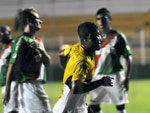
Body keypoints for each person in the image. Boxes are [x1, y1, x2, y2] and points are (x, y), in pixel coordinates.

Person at [53, 22, 113, 113]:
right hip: (69, 109)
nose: (99, 38)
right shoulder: (82, 63)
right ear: (84, 40)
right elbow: (76, 88)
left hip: (77, 105)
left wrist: (68, 69)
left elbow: (61, 53)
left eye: (99, 34)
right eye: (94, 37)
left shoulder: (77, 47)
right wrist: (101, 82)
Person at [3, 8, 51, 113]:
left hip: (36, 85)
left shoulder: (38, 41)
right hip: (29, 85)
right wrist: (7, 91)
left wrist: (42, 51)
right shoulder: (21, 41)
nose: (41, 21)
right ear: (29, 21)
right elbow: (12, 67)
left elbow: (48, 63)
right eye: (37, 19)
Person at [88, 8, 132, 113]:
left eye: (104, 18)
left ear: (110, 20)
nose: (101, 21)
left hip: (115, 75)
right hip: (97, 76)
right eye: (98, 19)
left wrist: (127, 78)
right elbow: (91, 60)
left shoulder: (118, 36)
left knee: (120, 107)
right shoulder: (94, 39)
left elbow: (128, 57)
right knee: (93, 107)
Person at [0, 25, 18, 113]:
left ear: (9, 33)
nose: (0, 34)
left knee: (12, 110)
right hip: (4, 83)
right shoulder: (3, 48)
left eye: (3, 31)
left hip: (12, 82)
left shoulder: (14, 45)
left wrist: (8, 88)